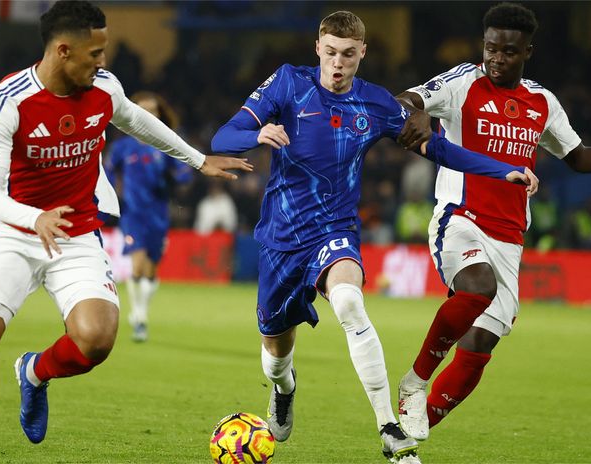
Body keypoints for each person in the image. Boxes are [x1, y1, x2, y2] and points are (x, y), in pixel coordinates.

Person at [211, 11, 538, 464]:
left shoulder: (378, 104)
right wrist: (256, 131)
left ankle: (389, 429)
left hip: (335, 229)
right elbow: (223, 135)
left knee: (348, 302)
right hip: (281, 237)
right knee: (275, 349)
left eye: (348, 54)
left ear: (362, 52)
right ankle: (284, 389)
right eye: (330, 53)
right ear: (317, 49)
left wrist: (503, 170)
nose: (338, 63)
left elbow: (439, 149)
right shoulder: (287, 83)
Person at [0, 2, 252, 463]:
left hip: (76, 234)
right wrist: (34, 218)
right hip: (13, 231)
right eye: (95, 53)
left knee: (97, 340)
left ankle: (33, 373)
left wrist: (197, 158)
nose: (103, 61)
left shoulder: (104, 88)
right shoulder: (8, 101)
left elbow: (138, 121)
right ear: (63, 50)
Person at [393, 2, 591, 442]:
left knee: (479, 347)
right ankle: (414, 383)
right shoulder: (462, 83)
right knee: (478, 286)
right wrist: (416, 111)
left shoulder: (541, 102)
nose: (496, 58)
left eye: (508, 51)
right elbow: (408, 99)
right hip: (461, 217)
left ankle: (406, 436)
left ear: (527, 51)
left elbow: (578, 156)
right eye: (490, 48)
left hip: (509, 236)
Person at [105, 91, 194, 342]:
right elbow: (107, 172)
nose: (147, 114)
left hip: (159, 214)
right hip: (133, 214)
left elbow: (184, 172)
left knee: (152, 271)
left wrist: (178, 177)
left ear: (158, 115)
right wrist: (110, 194)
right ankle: (140, 317)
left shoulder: (166, 144)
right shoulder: (122, 147)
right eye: (141, 109)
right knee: (138, 264)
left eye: (152, 111)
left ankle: (140, 312)